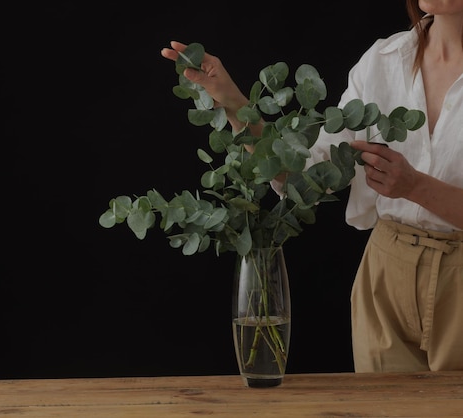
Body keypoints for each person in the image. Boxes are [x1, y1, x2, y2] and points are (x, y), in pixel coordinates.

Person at [160, 0, 463, 373]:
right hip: (386, 274)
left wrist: (415, 187)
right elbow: (306, 178)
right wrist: (233, 101)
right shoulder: (384, 59)